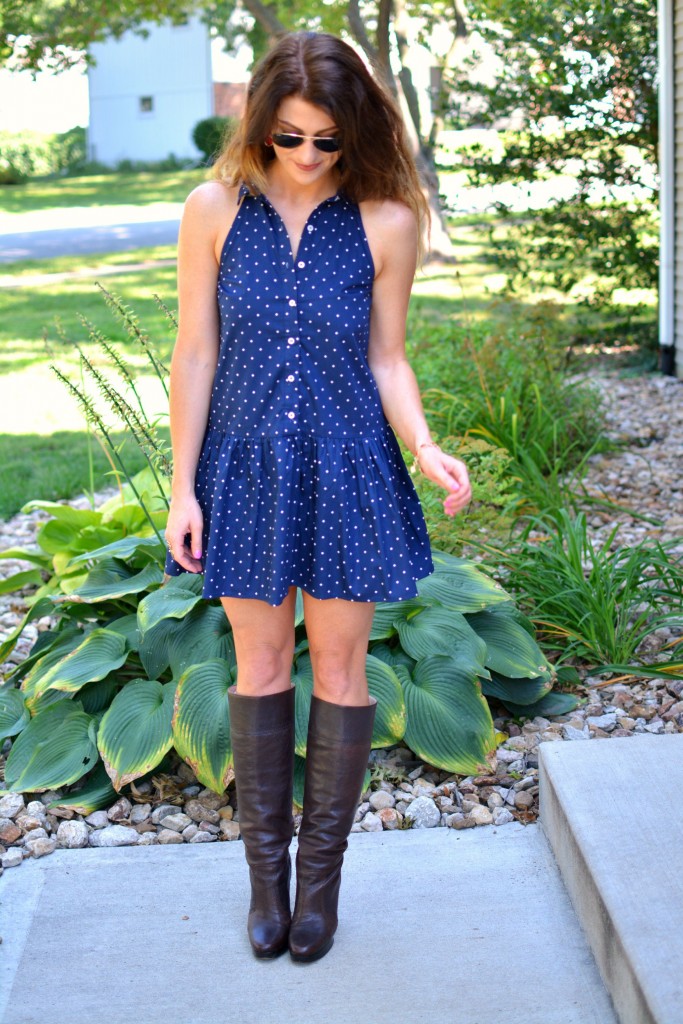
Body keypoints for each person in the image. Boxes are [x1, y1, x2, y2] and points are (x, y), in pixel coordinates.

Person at [163, 30, 472, 964]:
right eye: (288, 137)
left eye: (325, 142)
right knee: (258, 670)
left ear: (355, 135)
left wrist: (422, 444)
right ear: (260, 127)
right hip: (244, 473)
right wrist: (183, 486)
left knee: (339, 676)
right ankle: (267, 886)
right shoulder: (213, 208)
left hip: (348, 473)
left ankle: (319, 896)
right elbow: (196, 353)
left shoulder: (385, 220)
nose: (304, 157)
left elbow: (386, 356)